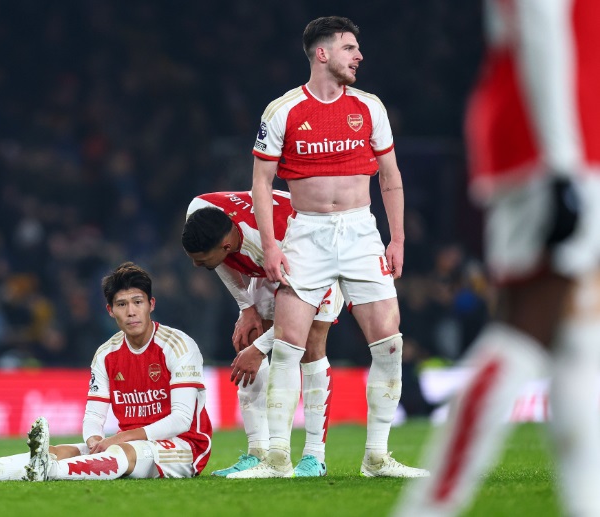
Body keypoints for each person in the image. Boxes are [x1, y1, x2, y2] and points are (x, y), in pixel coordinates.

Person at [393, 0, 600, 515]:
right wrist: (561, 164)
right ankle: (429, 506)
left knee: (581, 337)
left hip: (568, 138)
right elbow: (540, 23)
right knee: (527, 324)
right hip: (551, 144)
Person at [228, 16, 428, 479]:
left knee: (389, 343)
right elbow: (261, 184)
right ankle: (277, 459)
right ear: (322, 54)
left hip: (361, 232)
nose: (359, 56)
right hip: (307, 235)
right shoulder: (283, 110)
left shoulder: (370, 107)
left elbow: (390, 177)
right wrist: (272, 246)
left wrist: (397, 239)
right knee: (287, 345)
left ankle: (376, 457)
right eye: (349, 48)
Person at [0, 262, 213, 481]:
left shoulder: (178, 345)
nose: (131, 311)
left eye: (138, 302)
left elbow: (181, 420)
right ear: (110, 310)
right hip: (130, 442)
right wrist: (94, 440)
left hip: (185, 446)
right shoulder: (106, 354)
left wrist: (119, 438)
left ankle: (49, 470)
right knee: (60, 450)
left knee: (123, 450)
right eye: (122, 304)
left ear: (151, 304)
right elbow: (93, 416)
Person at [183, 190, 343, 477]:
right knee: (248, 337)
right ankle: (258, 452)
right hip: (272, 260)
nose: (196, 265)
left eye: (202, 259)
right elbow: (218, 261)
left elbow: (296, 324)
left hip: (320, 260)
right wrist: (246, 308)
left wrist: (259, 349)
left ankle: (314, 457)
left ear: (226, 244)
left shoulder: (286, 243)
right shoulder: (200, 211)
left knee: (308, 346)